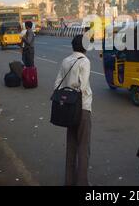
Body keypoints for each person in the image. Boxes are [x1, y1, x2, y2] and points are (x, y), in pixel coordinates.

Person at [54, 35, 92, 186]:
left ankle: (69, 182)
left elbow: (57, 84)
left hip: (68, 108)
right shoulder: (84, 61)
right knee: (83, 148)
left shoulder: (65, 61)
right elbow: (82, 87)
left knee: (71, 146)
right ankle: (82, 183)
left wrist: (66, 95)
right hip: (82, 108)